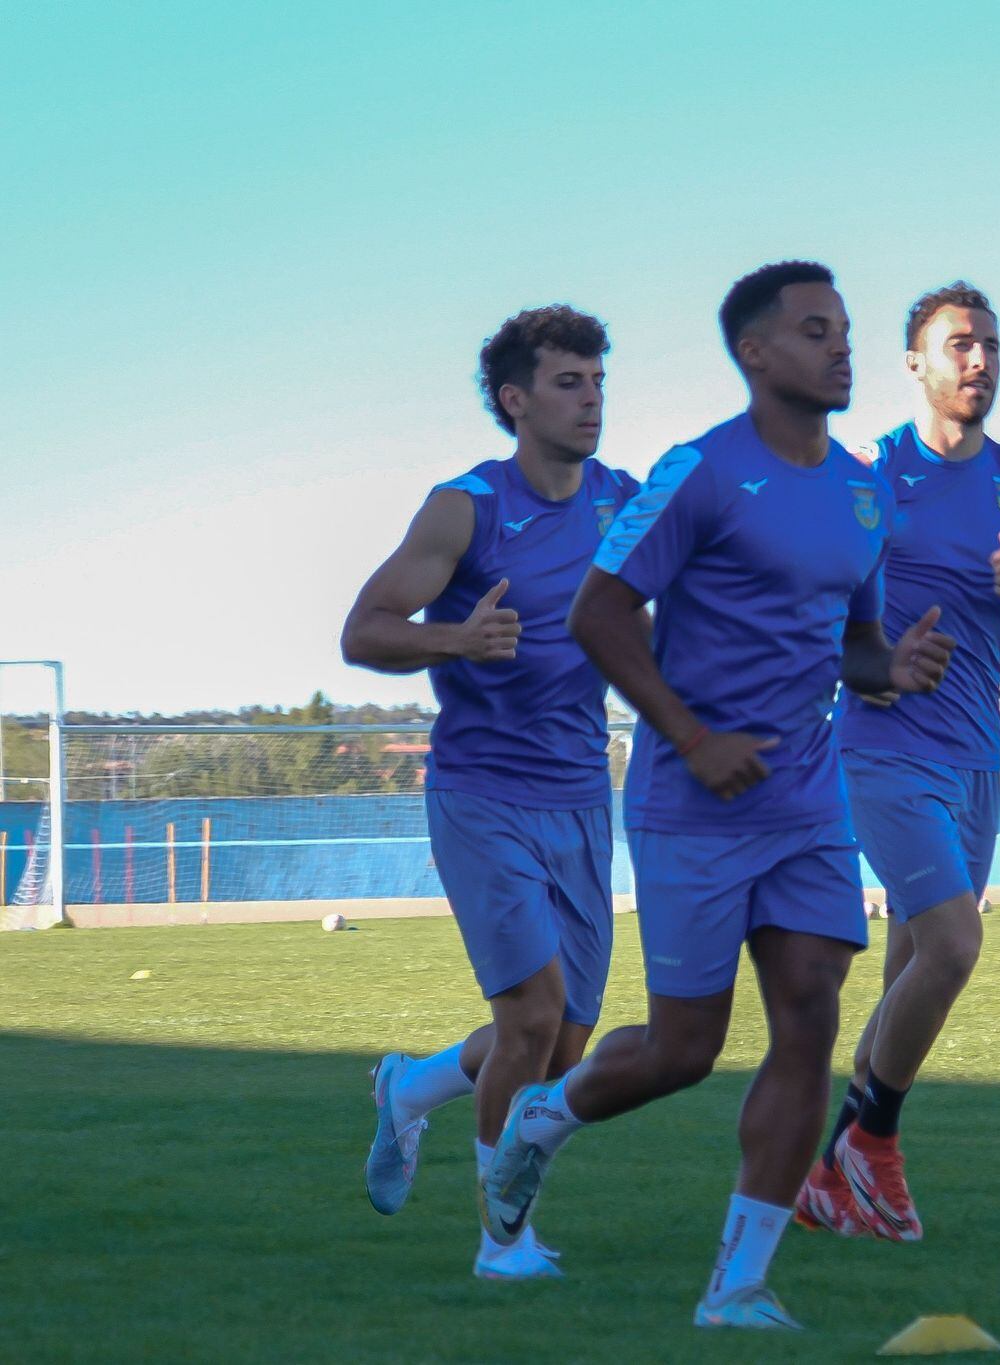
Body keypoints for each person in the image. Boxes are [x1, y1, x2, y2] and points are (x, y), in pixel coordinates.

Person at [477, 261, 955, 1330]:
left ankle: (736, 1287)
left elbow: (856, 647)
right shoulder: (693, 471)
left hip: (804, 809)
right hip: (688, 806)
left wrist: (896, 669)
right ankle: (545, 1118)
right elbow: (597, 612)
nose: (842, 348)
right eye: (815, 329)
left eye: (844, 330)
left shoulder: (862, 491)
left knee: (806, 1025)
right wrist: (690, 739)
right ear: (755, 352)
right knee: (682, 1049)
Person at [341, 305, 634, 1280]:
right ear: (515, 401)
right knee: (531, 1019)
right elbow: (365, 630)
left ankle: (412, 1088)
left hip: (584, 800)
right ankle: (501, 1244)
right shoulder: (463, 507)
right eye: (567, 382)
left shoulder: (623, 502)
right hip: (482, 795)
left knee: (564, 1043)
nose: (589, 398)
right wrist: (454, 639)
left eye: (596, 380)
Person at [797, 282, 1000, 1242]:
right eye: (960, 346)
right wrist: (861, 665)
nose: (980, 361)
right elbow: (807, 610)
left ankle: (828, 1176)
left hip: (974, 758)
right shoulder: (864, 473)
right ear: (915, 362)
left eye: (991, 344)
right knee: (953, 944)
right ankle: (876, 1143)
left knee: (913, 963)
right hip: (880, 746)